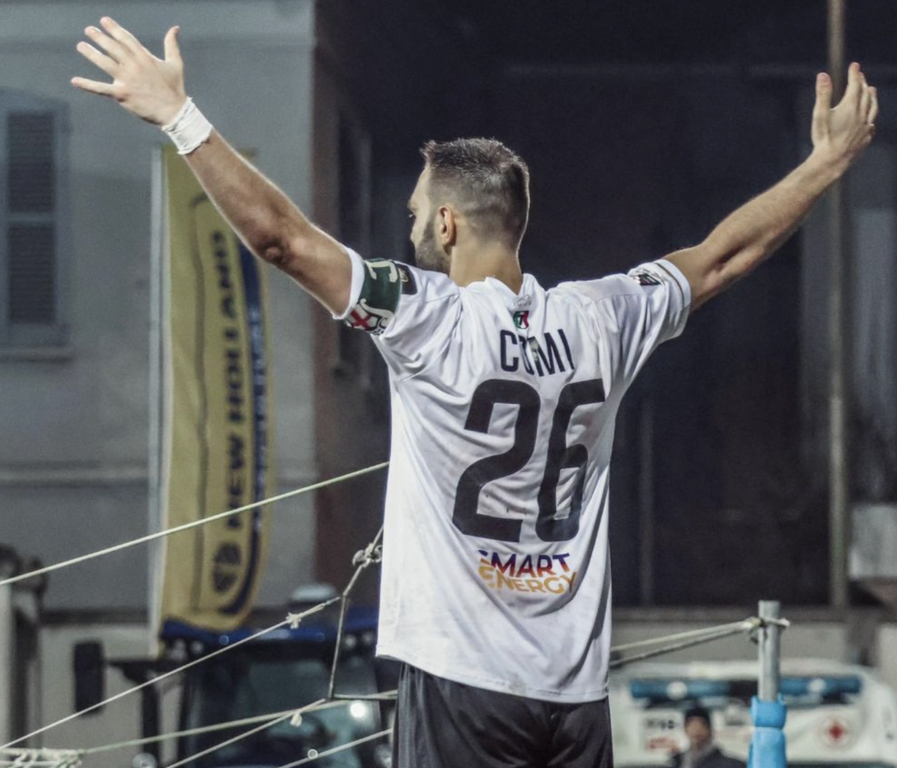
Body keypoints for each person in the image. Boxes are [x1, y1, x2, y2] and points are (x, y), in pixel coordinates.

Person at [72, 17, 877, 768]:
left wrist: (179, 117)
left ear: (449, 225)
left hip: (462, 683)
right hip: (573, 694)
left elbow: (281, 241)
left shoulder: (424, 315)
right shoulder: (602, 315)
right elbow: (724, 256)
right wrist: (824, 165)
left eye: (418, 212)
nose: (410, 227)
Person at [668, 707, 745, 768]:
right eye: (691, 725)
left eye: (701, 725)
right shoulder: (676, 761)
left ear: (710, 729)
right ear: (685, 729)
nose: (696, 730)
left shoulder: (731, 765)